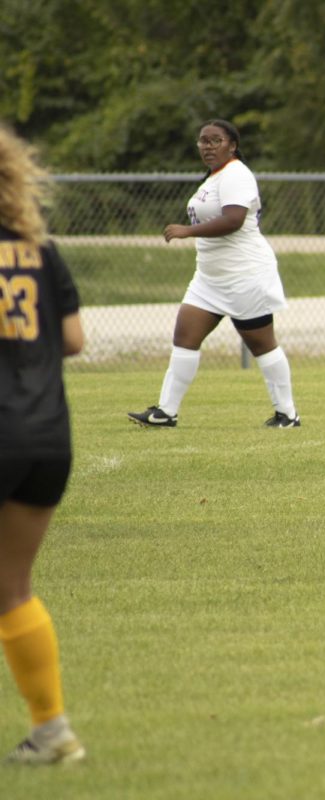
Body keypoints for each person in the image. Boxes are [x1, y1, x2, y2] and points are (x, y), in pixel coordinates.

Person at [0, 124, 87, 764]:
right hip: (48, 436)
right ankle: (51, 730)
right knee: (12, 587)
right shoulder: (41, 250)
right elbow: (76, 339)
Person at [128, 119, 299, 429]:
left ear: (232, 145)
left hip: (244, 275)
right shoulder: (213, 177)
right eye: (202, 141)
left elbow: (233, 219)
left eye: (215, 140)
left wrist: (187, 231)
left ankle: (287, 415)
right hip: (209, 279)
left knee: (262, 344)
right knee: (184, 336)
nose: (207, 146)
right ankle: (166, 412)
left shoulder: (236, 173)